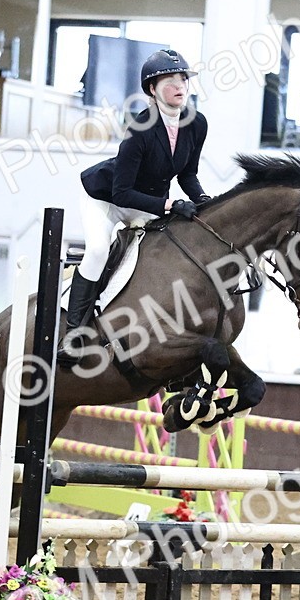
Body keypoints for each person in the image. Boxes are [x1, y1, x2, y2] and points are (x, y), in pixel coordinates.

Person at [61, 49, 211, 366]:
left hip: (150, 203)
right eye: (169, 79)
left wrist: (203, 201)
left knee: (167, 250)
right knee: (99, 250)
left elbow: (187, 174)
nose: (179, 84)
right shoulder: (139, 129)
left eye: (183, 77)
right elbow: (123, 191)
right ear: (152, 90)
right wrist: (170, 204)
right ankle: (73, 334)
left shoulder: (197, 124)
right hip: (107, 200)